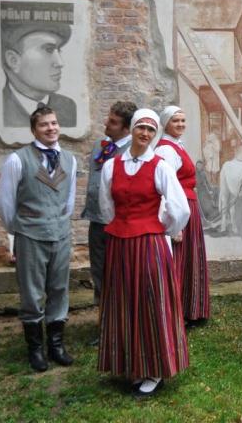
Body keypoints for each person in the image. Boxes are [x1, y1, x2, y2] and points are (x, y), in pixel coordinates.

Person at [97, 109, 190, 397]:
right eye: (141, 128)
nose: (146, 134)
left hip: (149, 244)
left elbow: (180, 209)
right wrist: (124, 224)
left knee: (151, 302)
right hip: (120, 244)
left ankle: (154, 369)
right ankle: (132, 364)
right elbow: (106, 207)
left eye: (151, 129)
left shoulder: (160, 166)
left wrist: (160, 228)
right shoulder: (112, 166)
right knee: (124, 303)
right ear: (133, 130)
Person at [0, 107, 76, 371]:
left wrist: (58, 222)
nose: (51, 128)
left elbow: (69, 201)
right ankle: (36, 349)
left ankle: (56, 345)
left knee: (59, 289)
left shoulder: (70, 160)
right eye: (44, 125)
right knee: (32, 293)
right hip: (30, 235)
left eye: (54, 123)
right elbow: (6, 205)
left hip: (60, 234)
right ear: (34, 130)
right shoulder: (18, 160)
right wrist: (18, 230)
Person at [81, 101, 137, 339]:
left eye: (113, 122)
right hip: (97, 222)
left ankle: (125, 325)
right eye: (109, 118)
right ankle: (105, 326)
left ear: (126, 129)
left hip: (121, 225)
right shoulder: (100, 146)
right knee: (100, 273)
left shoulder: (133, 152)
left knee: (122, 276)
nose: (107, 123)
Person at [155, 106, 210, 326]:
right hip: (179, 208)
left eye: (183, 121)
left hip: (188, 205)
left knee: (189, 258)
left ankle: (191, 309)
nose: (180, 125)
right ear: (166, 123)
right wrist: (174, 224)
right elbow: (165, 189)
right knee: (179, 260)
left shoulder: (176, 146)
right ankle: (176, 313)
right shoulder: (166, 150)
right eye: (175, 121)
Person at [0, 16, 76, 127]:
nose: (60, 62)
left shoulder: (68, 107)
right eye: (48, 50)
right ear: (13, 61)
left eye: (58, 50)